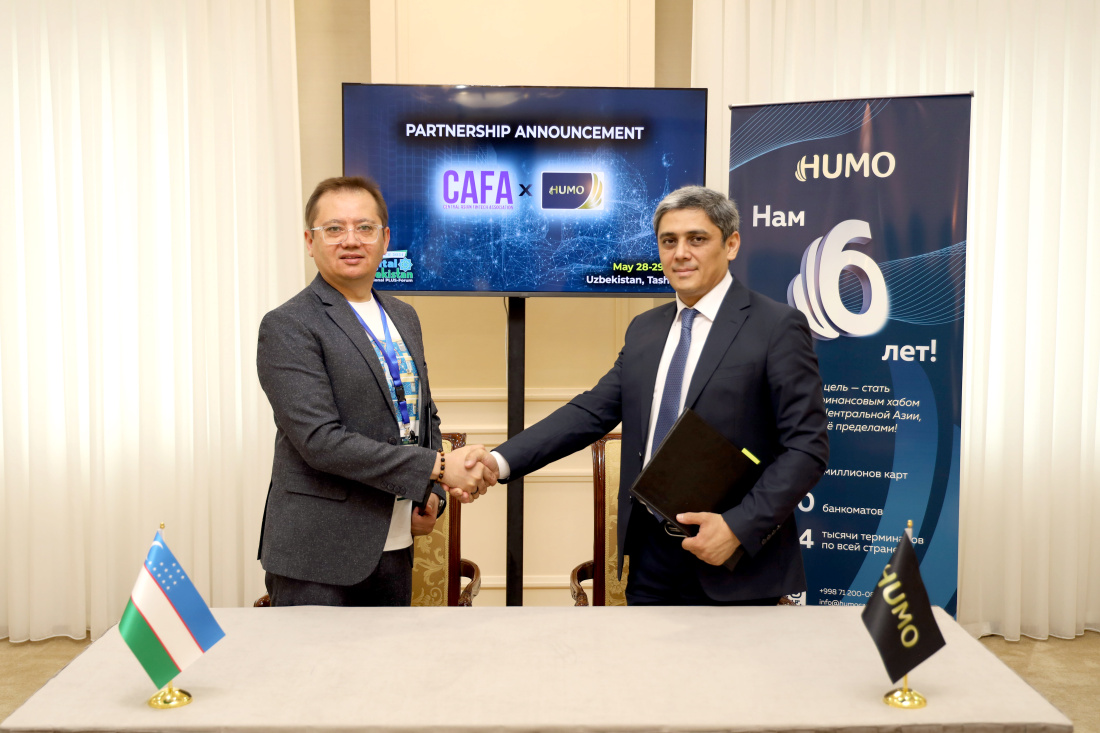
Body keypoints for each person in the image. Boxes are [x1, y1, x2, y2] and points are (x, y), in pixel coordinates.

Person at [485, 186, 829, 605]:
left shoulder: (776, 326)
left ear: (731, 244)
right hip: (650, 559)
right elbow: (591, 411)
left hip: (733, 562)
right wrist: (497, 461)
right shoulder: (644, 329)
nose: (681, 253)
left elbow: (806, 447)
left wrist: (737, 528)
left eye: (696, 239)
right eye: (669, 241)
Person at [257, 176, 497, 607]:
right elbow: (320, 442)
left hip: (395, 544)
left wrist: (431, 495)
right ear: (310, 241)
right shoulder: (289, 325)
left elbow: (424, 416)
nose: (350, 240)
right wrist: (439, 467)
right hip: (318, 556)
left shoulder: (403, 316)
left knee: (390, 655)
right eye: (334, 228)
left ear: (384, 239)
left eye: (364, 228)